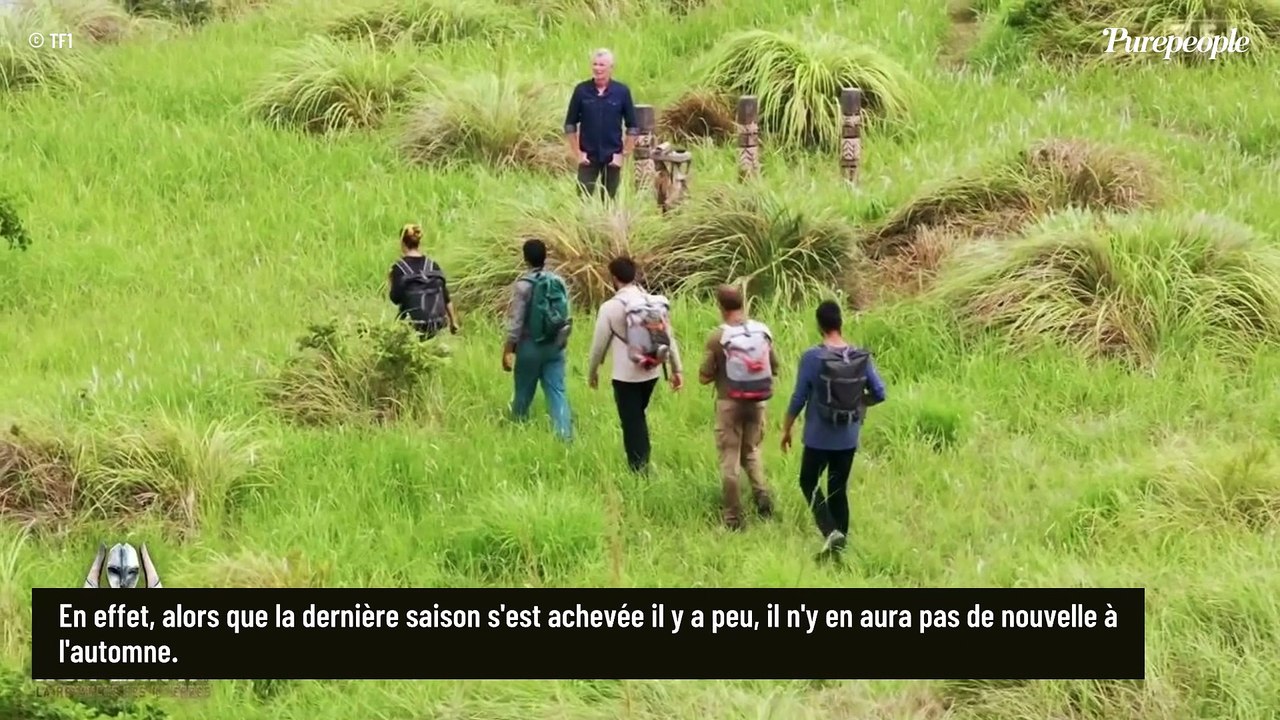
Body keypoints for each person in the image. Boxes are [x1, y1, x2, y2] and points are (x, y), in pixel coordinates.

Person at [780, 300, 886, 560]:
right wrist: (858, 404)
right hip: (848, 437)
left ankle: (830, 533)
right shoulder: (859, 356)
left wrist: (786, 429)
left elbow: (798, 398)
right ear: (841, 322)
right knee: (838, 490)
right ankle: (839, 550)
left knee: (808, 481)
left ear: (819, 325)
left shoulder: (812, 357)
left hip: (818, 437)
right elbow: (879, 392)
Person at [587, 256, 684, 473]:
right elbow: (669, 337)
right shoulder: (652, 302)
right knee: (638, 415)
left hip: (625, 375)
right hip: (653, 371)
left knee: (632, 422)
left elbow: (598, 346)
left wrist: (592, 371)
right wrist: (677, 369)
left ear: (614, 278)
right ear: (635, 275)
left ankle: (640, 469)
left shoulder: (610, 308)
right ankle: (642, 462)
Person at [698, 284, 778, 530]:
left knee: (729, 460)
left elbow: (703, 376)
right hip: (757, 401)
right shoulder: (762, 332)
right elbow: (774, 367)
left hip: (729, 404)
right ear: (743, 303)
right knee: (752, 450)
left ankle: (733, 517)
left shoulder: (718, 337)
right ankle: (762, 494)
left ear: (721, 307)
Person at [503, 238, 573, 441]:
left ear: (525, 258)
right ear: (546, 256)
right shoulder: (557, 281)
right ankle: (565, 437)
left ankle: (516, 433)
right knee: (557, 392)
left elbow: (516, 322)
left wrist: (508, 349)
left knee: (523, 392)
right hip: (555, 345)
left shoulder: (523, 286)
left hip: (529, 346)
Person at [563, 48, 639, 200]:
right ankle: (582, 224)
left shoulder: (621, 92)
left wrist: (623, 155)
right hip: (588, 157)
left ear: (611, 68)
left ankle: (608, 223)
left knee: (610, 200)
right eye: (595, 64)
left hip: (612, 157)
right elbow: (570, 124)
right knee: (583, 198)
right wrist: (577, 153)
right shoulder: (581, 91)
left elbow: (633, 127)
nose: (598, 69)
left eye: (602, 65)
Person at [388, 223, 458, 338]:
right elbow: (446, 297)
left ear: (402, 243)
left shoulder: (399, 268)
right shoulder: (432, 265)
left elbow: (395, 299)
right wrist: (453, 322)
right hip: (438, 324)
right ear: (419, 243)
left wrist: (390, 282)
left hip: (414, 325)